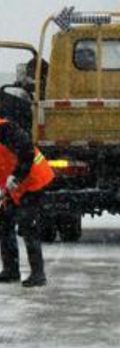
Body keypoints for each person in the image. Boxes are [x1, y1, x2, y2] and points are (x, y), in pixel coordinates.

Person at [0, 114, 54, 287]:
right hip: (13, 186)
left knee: (27, 223)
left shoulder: (5, 129)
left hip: (34, 180)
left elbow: (27, 151)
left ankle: (38, 274)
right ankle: (11, 270)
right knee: (3, 222)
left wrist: (16, 177)